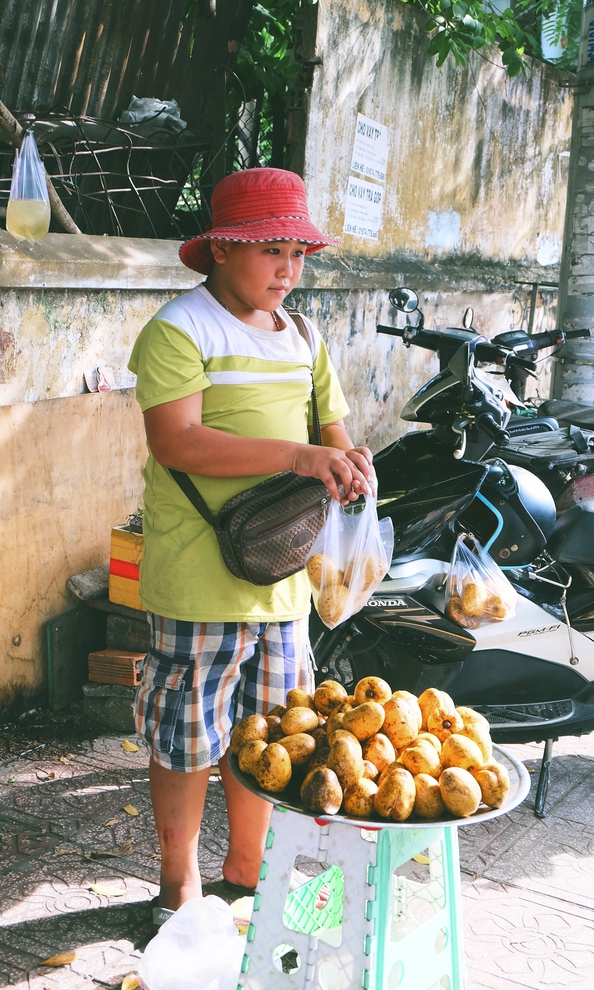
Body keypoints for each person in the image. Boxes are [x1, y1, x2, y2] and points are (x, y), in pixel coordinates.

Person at [128, 167, 372, 925]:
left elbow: (330, 428)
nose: (288, 270)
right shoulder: (179, 329)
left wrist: (347, 462)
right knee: (187, 738)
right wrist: (296, 459)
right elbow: (178, 442)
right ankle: (178, 885)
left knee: (267, 736)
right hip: (199, 573)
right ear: (224, 249)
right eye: (271, 250)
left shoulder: (303, 334)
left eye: (298, 255)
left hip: (285, 576)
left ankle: (245, 871)